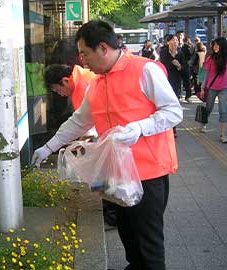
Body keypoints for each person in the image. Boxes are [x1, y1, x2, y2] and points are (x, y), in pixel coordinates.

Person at [32, 20, 183, 270]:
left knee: (149, 246)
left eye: (85, 53)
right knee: (128, 237)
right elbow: (79, 121)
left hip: (148, 175)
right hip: (117, 175)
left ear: (103, 48)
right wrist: (49, 147)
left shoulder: (145, 70)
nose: (82, 61)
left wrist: (139, 128)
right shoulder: (98, 83)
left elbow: (173, 111)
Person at [44, 63, 117, 228]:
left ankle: (112, 216)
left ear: (65, 81)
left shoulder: (86, 84)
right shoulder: (80, 81)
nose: (60, 94)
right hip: (102, 135)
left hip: (106, 135)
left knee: (104, 175)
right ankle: (110, 212)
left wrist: (82, 140)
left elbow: (87, 121)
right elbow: (79, 121)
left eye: (57, 90)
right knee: (102, 175)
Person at [199, 37, 227, 143]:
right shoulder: (210, 58)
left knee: (223, 110)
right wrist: (203, 87)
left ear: (222, 46)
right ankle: (203, 123)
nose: (215, 47)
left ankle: (223, 135)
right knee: (209, 108)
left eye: (217, 45)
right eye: (214, 45)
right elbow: (207, 74)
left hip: (224, 88)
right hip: (212, 87)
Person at [159, 34, 183, 137]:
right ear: (168, 42)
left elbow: (185, 69)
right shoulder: (164, 52)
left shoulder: (181, 53)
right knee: (165, 105)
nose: (175, 42)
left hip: (176, 83)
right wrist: (172, 59)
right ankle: (167, 127)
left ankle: (173, 129)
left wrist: (179, 66)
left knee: (174, 104)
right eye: (173, 40)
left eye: (176, 40)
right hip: (165, 82)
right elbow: (165, 63)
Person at [176, 31, 192, 103]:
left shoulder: (186, 46)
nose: (180, 37)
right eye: (178, 36)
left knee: (187, 82)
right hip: (176, 67)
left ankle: (188, 96)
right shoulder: (174, 46)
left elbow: (190, 56)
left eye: (181, 36)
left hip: (185, 66)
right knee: (177, 81)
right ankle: (178, 95)